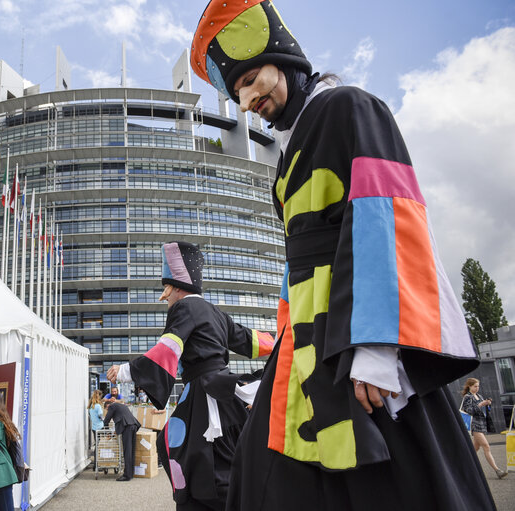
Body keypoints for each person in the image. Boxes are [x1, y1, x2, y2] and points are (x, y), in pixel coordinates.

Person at [188, 1, 495, 509]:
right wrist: (281, 357)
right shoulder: (287, 163)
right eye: (237, 90)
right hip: (305, 352)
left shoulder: (349, 107)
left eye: (249, 79)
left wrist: (378, 348)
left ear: (281, 56)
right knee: (262, 475)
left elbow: (387, 219)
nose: (246, 100)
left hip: (357, 345)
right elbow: (296, 275)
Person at [108, 241, 273, 505]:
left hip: (202, 395)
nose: (165, 297)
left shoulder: (183, 308)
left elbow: (167, 351)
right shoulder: (216, 313)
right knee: (228, 456)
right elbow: (252, 341)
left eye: (166, 289)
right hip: (227, 396)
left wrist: (125, 370)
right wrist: (283, 340)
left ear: (175, 286)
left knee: (183, 452)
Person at [461, 378, 507, 478]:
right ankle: (497, 470)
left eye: (478, 386)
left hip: (481, 423)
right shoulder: (467, 397)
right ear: (469, 386)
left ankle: (462, 465)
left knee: (475, 448)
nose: (477, 388)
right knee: (486, 446)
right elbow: (469, 410)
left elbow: (484, 411)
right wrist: (481, 404)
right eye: (475, 386)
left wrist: (487, 404)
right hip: (474, 424)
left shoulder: (479, 396)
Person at [102, 401, 141, 482]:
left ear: (107, 406)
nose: (107, 411)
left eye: (106, 409)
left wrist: (107, 432)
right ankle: (130, 473)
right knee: (131, 451)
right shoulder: (121, 405)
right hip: (133, 425)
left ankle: (126, 475)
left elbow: (106, 420)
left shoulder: (112, 406)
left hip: (127, 427)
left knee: (127, 451)